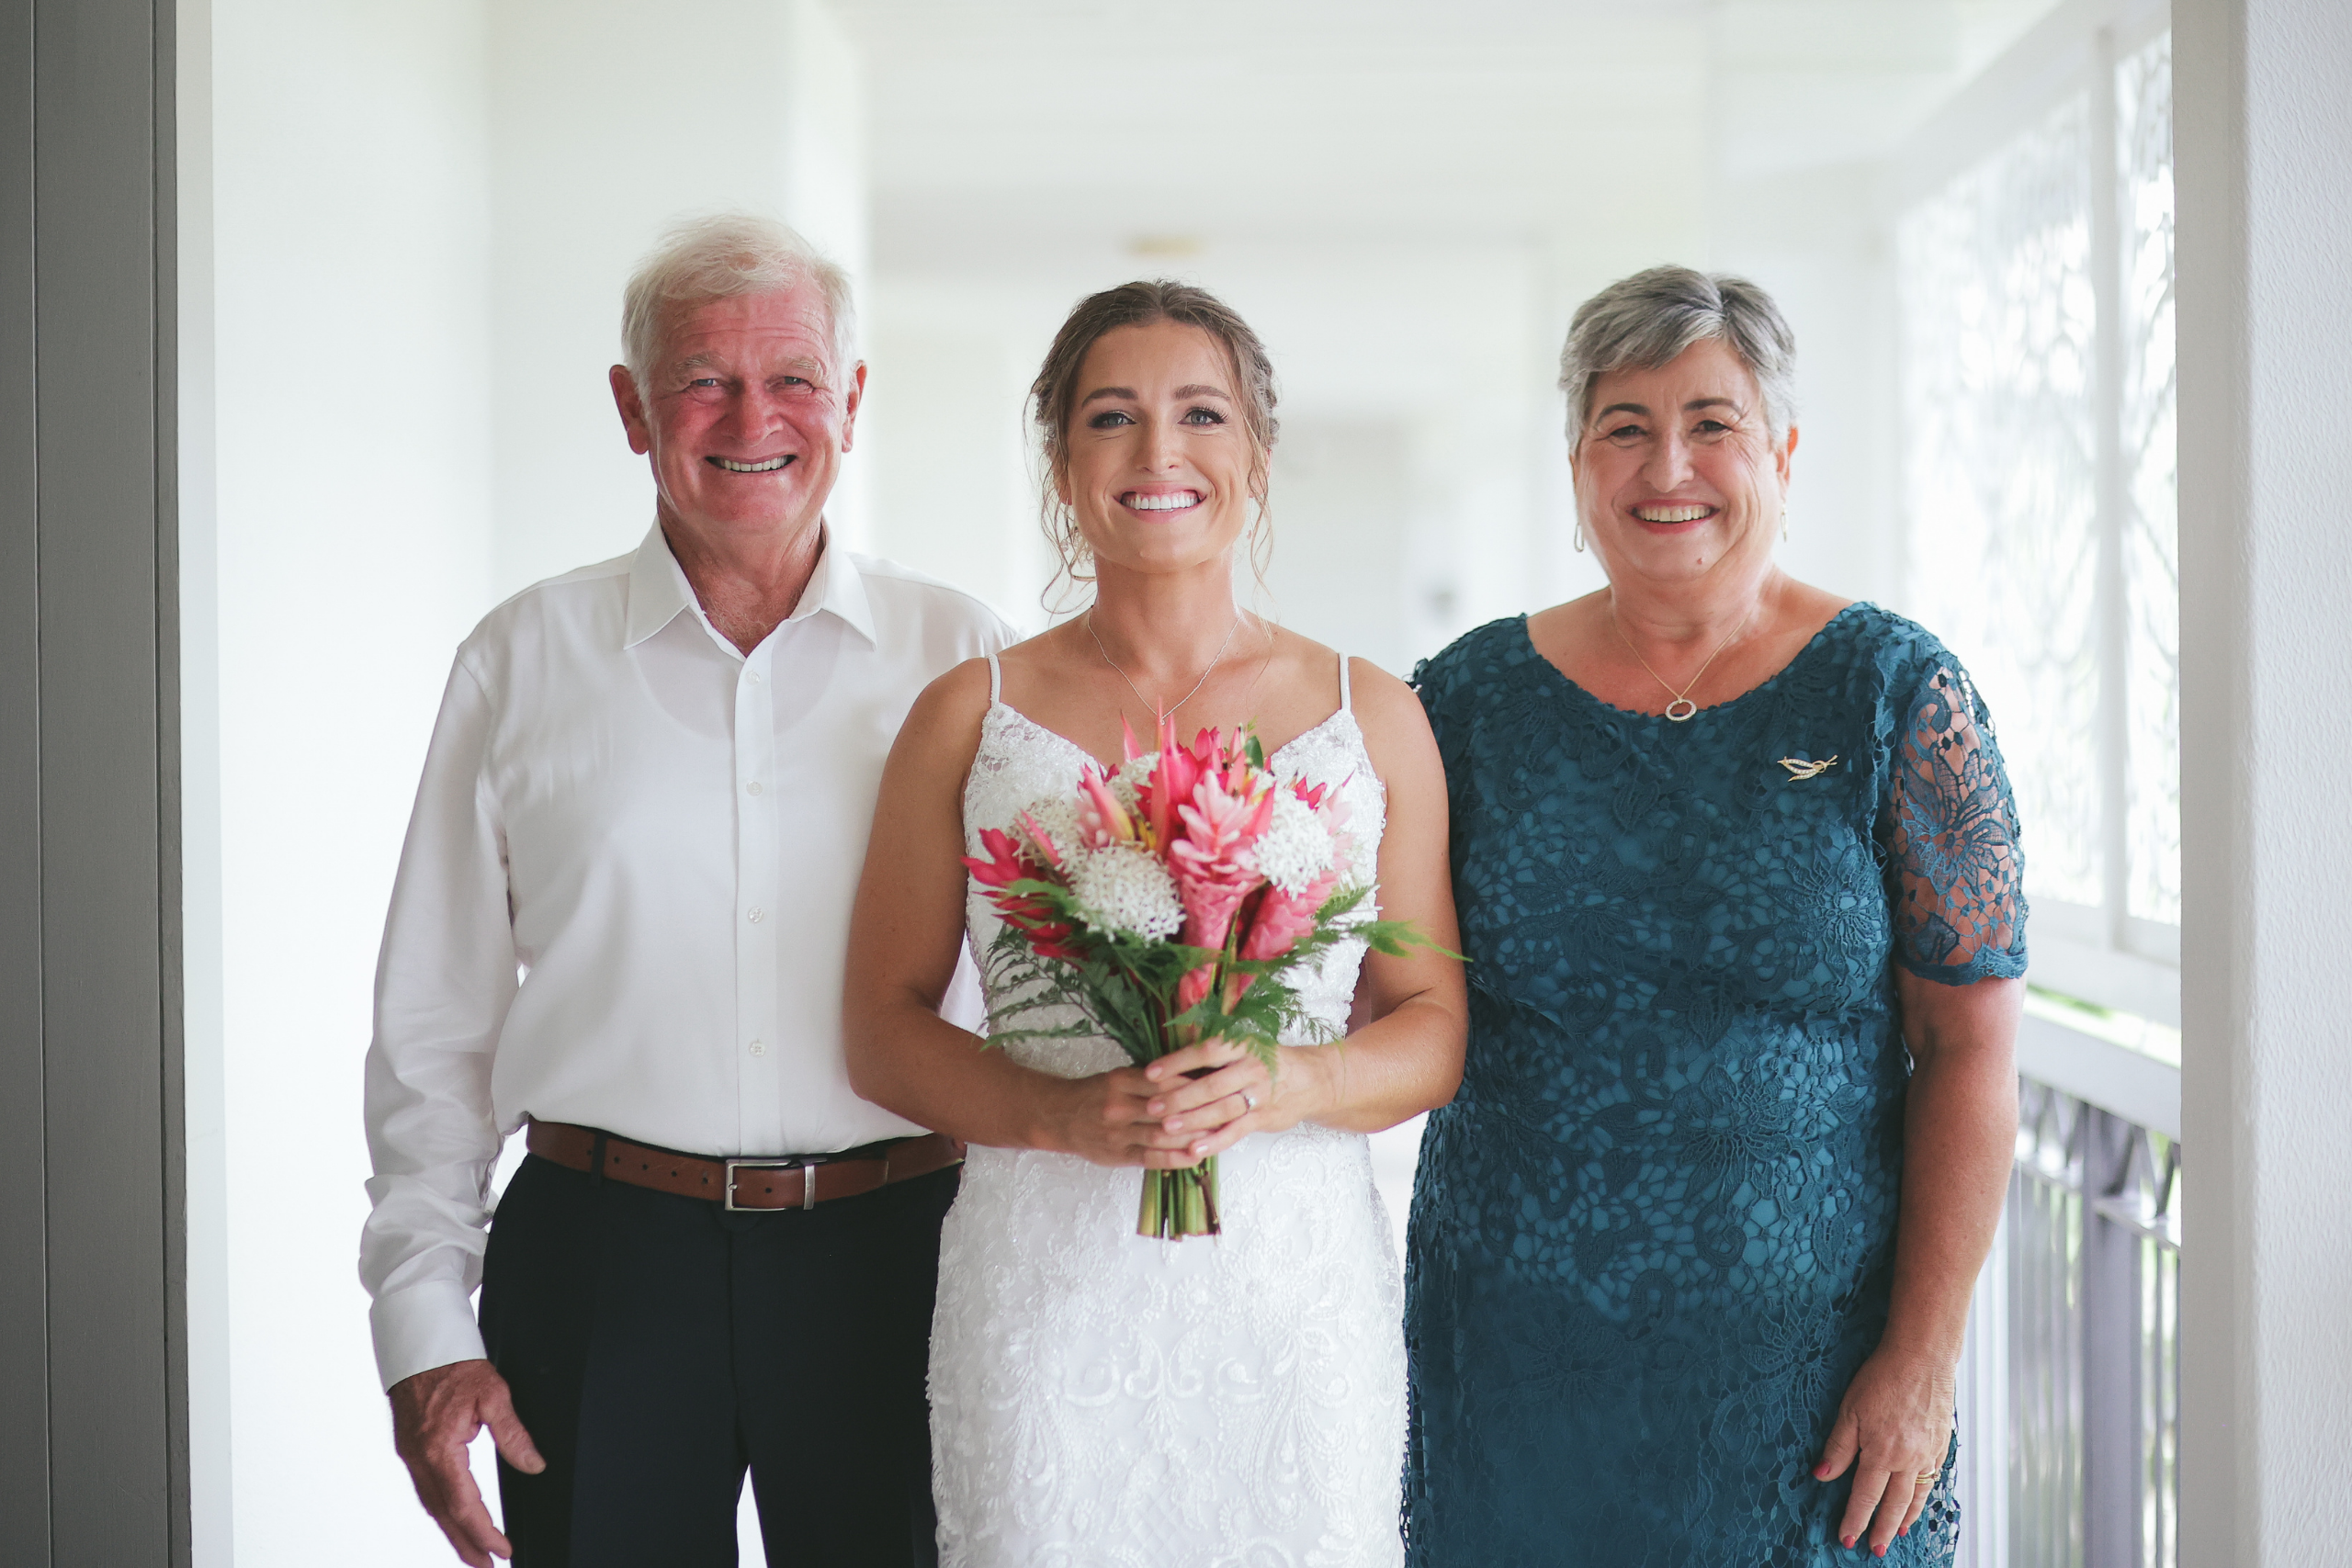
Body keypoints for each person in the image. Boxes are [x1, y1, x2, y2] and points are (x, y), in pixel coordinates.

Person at [359, 213, 1012, 1568]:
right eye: (703, 379)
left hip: (901, 1255)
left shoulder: (964, 655)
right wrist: (422, 1324)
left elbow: (1035, 995)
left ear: (852, 401)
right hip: (602, 1263)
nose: (751, 419)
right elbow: (434, 1027)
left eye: (791, 378)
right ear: (632, 408)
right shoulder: (520, 658)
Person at [1402, 266, 2026, 1566]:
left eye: (1711, 423)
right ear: (1577, 465)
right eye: (1623, 426)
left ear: (1781, 453)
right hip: (1515, 1383)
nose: (1667, 466)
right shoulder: (1460, 705)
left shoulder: (1895, 694)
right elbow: (1389, 996)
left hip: (1816, 1404)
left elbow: (1969, 1048)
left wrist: (1923, 1357)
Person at [842, 280, 1468, 1565]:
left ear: (1259, 453)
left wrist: (1293, 1081)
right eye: (1113, 417)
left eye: (1202, 414)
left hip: (1291, 1298)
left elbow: (1434, 1027)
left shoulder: (1373, 714)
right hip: (1045, 1286)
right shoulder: (969, 713)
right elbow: (881, 1031)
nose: (1158, 452)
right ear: (1062, 463)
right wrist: (1059, 1113)